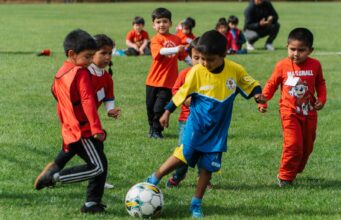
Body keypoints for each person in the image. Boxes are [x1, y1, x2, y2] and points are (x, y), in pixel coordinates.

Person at [146, 30, 266, 218]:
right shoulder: (196, 72)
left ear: (223, 56)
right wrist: (167, 111)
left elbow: (250, 83)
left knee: (207, 169)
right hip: (196, 126)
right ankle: (154, 178)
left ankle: (196, 203)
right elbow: (182, 93)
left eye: (210, 59)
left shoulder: (234, 70)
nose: (204, 63)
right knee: (183, 155)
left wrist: (258, 95)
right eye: (201, 58)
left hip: (217, 132)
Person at [34, 29, 108, 214]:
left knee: (99, 160)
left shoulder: (61, 71)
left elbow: (54, 91)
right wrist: (96, 127)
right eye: (88, 56)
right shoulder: (81, 73)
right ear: (72, 54)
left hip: (69, 125)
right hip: (82, 129)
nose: (91, 61)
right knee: (97, 167)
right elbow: (88, 100)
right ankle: (55, 177)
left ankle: (92, 204)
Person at [258, 28, 327, 187]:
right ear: (287, 47)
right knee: (293, 144)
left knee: (307, 146)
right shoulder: (282, 65)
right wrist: (263, 100)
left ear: (310, 50)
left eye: (301, 50)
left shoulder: (315, 65)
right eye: (292, 49)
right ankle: (285, 177)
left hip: (309, 113)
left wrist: (321, 99)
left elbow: (320, 84)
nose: (296, 53)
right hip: (289, 112)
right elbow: (272, 84)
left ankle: (295, 169)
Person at [145, 7, 187, 139]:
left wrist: (197, 65)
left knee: (159, 108)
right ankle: (152, 128)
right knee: (150, 108)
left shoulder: (177, 39)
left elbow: (184, 56)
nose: (161, 24)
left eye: (165, 21)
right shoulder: (155, 40)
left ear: (170, 23)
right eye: (158, 22)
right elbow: (161, 52)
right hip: (152, 81)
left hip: (169, 82)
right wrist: (176, 49)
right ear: (153, 25)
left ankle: (157, 130)